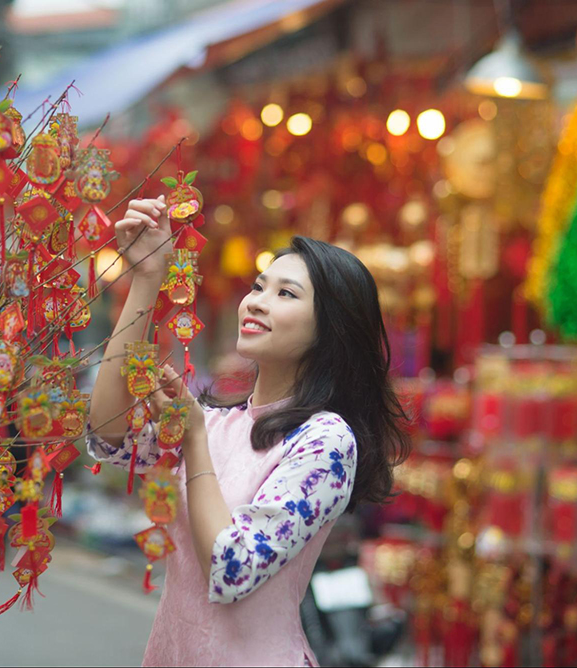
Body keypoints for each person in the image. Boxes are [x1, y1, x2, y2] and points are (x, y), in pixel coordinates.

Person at [87, 195, 410, 666]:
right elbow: (107, 434)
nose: (256, 302)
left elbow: (231, 568)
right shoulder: (218, 422)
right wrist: (146, 278)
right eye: (259, 286)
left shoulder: (325, 441)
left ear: (330, 330)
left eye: (286, 294)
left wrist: (194, 441)